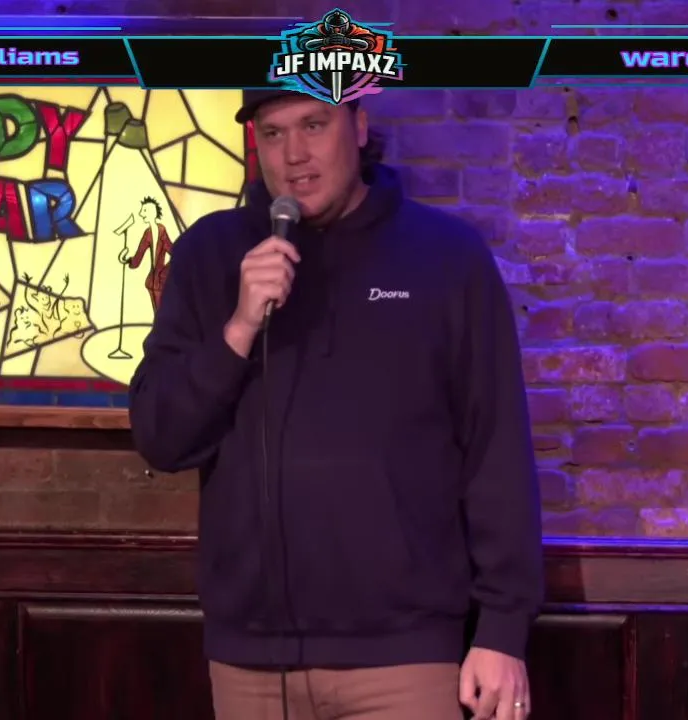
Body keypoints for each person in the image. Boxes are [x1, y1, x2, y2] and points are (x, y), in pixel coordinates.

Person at [127, 89, 543, 720]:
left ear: (360, 126)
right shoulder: (210, 255)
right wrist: (239, 328)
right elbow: (161, 437)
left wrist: (503, 630)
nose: (294, 154)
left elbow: (496, 450)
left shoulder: (446, 257)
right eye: (273, 133)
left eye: (314, 125)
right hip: (251, 658)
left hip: (405, 654)